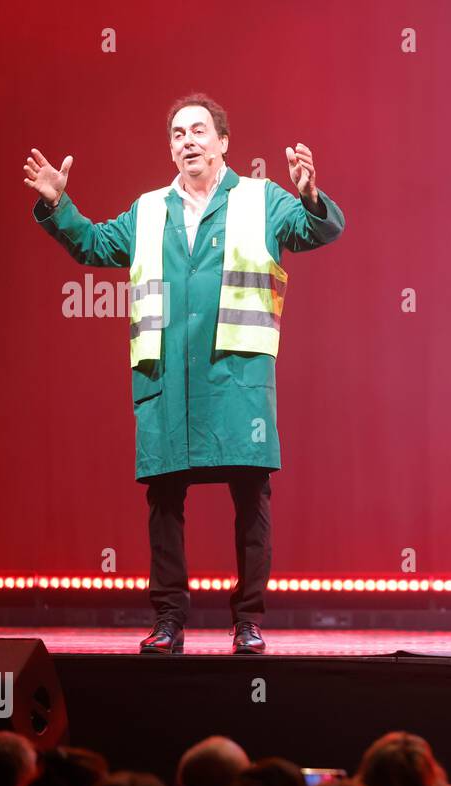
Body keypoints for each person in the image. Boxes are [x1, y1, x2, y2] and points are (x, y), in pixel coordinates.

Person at [26, 93, 345, 655]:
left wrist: (311, 194)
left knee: (251, 495)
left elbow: (318, 230)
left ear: (224, 142)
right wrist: (60, 205)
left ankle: (248, 621)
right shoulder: (150, 208)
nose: (188, 141)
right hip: (169, 376)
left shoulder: (260, 199)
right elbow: (98, 246)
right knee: (165, 499)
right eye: (177, 134)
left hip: (236, 377)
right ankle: (169, 619)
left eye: (199, 131)